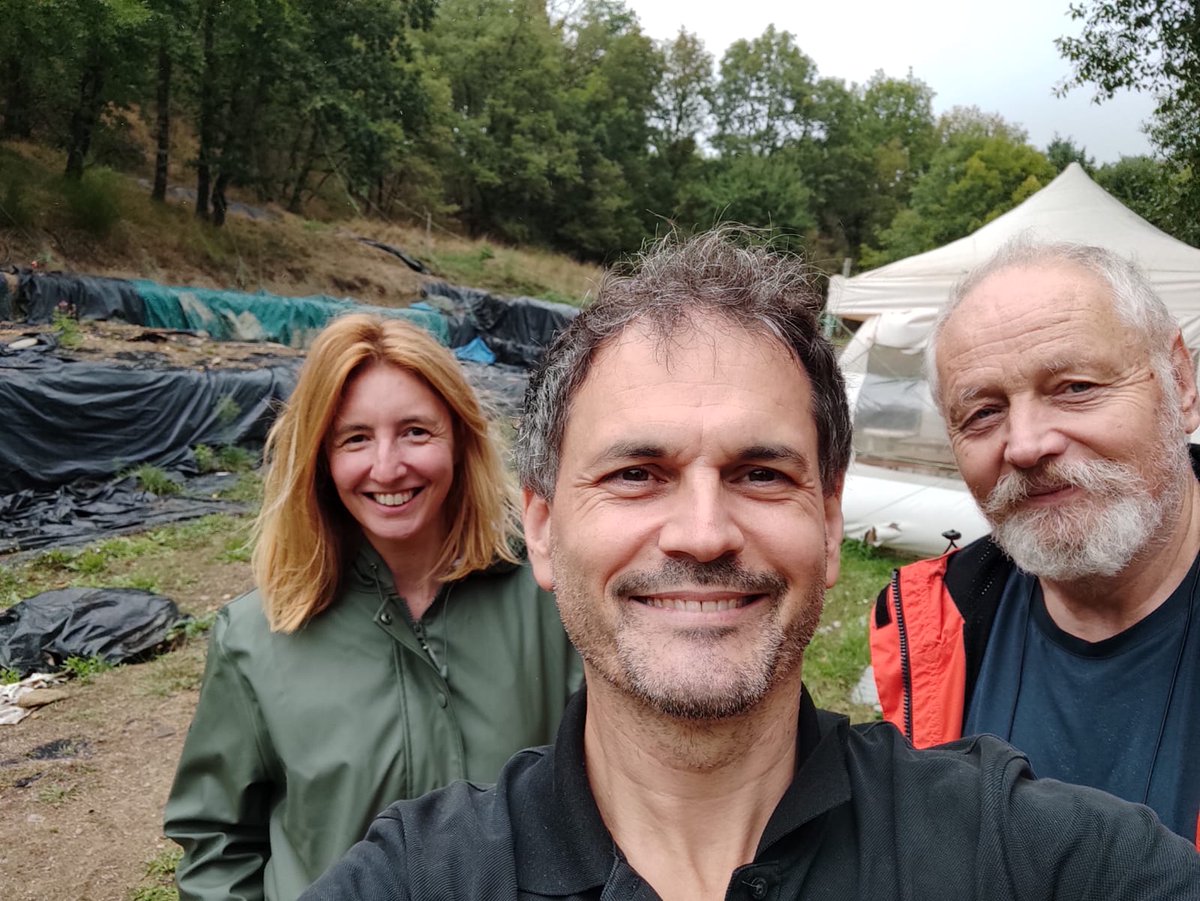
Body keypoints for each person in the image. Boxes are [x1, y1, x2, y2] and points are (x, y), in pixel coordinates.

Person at [299, 231, 1200, 901]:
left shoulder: (1013, 848)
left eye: (761, 473)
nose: (702, 533)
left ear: (831, 519)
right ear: (540, 526)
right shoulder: (420, 875)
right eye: (637, 473)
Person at [163, 313, 581, 901]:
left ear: (460, 439)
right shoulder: (256, 637)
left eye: (416, 432)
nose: (387, 467)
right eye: (355, 438)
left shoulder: (554, 596)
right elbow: (218, 844)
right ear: (319, 457)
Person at [870, 238, 1200, 849]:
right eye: (983, 413)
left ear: (1179, 382)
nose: (1024, 445)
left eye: (1074, 387)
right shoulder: (932, 624)